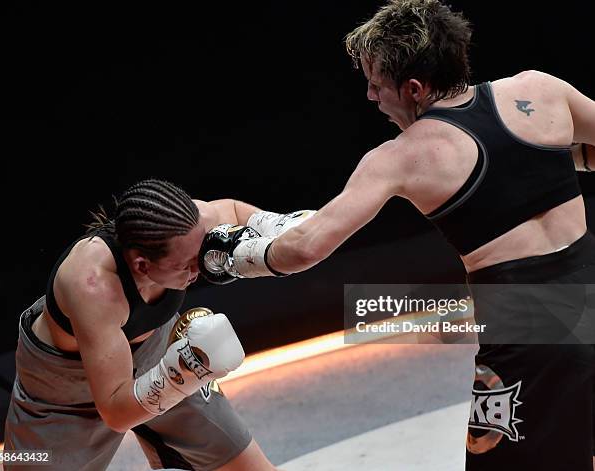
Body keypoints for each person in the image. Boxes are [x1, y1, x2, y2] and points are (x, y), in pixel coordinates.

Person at [198, 0, 595, 469]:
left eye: (375, 84)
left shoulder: (401, 157)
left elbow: (303, 248)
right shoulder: (540, 90)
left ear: (413, 89)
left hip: (533, 332)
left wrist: (230, 253)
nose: (370, 96)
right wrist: (545, 163)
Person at [3, 178, 280, 471]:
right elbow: (116, 413)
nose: (198, 268)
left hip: (158, 350)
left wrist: (278, 237)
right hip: (64, 392)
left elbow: (236, 212)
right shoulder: (91, 284)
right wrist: (183, 370)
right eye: (185, 264)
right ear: (142, 266)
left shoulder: (188, 227)